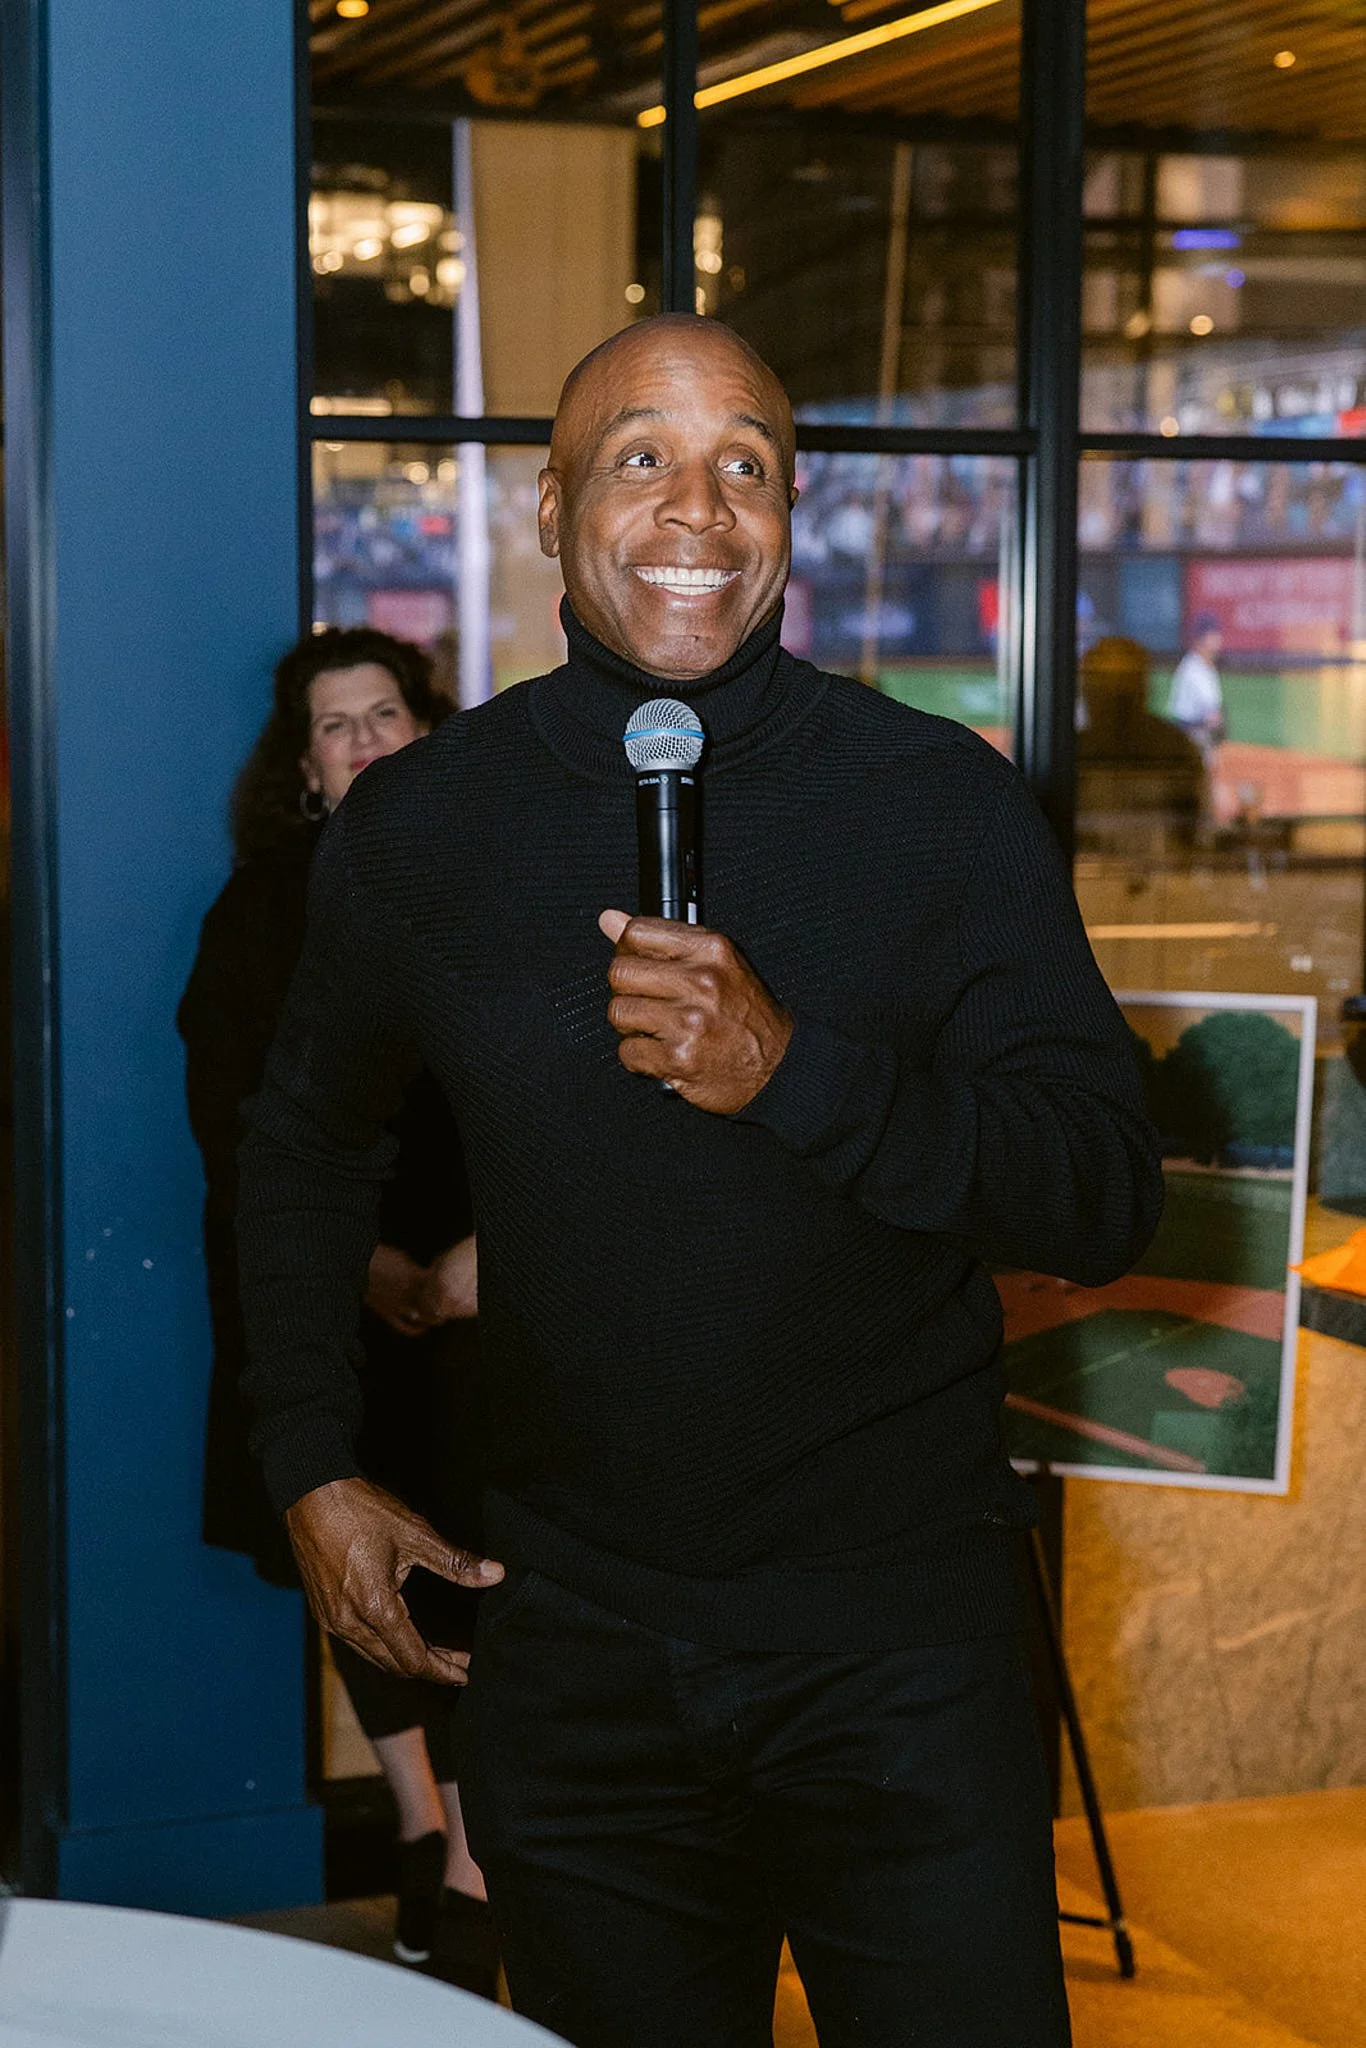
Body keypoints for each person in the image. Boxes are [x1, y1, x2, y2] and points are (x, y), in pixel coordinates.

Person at [236, 317, 1163, 2047]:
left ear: (793, 514)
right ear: (550, 506)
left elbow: (1103, 1188)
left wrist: (793, 1073)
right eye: (641, 455)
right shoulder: (422, 827)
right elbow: (304, 1139)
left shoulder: (937, 803)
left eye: (748, 461)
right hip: (571, 1648)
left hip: (897, 1645)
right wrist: (309, 1451)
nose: (699, 505)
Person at [177, 627, 497, 1995]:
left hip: (498, 1293)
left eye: (385, 714)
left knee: (484, 1561)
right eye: (335, 726)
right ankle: (427, 1830)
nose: (365, 740)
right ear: (303, 767)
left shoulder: (506, 880)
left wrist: (494, 1254)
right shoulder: (256, 913)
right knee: (354, 1551)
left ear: (428, 732)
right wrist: (370, 1271)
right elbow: (241, 1124)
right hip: (332, 1298)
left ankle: (476, 1860)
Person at [1166, 613, 1226, 762]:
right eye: (1213, 635)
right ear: (1201, 639)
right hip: (1189, 732)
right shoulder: (1194, 669)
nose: (1218, 639)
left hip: (1190, 731)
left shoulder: (1202, 664)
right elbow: (1212, 715)